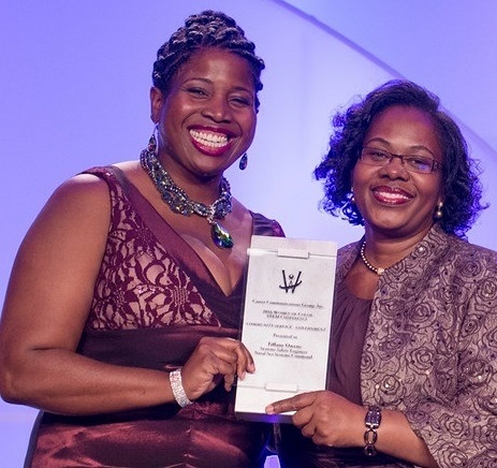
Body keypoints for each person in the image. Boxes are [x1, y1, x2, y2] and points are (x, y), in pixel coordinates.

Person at [0, 10, 284, 468]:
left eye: (239, 99)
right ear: (157, 102)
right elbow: (19, 369)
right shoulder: (95, 200)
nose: (219, 112)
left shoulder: (272, 239)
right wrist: (175, 384)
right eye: (197, 91)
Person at [266, 80, 497, 467]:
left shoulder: (488, 281)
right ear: (351, 169)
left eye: (419, 161)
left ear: (443, 187)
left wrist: (365, 425)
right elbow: (277, 409)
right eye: (378, 153)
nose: (394, 171)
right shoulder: (314, 275)